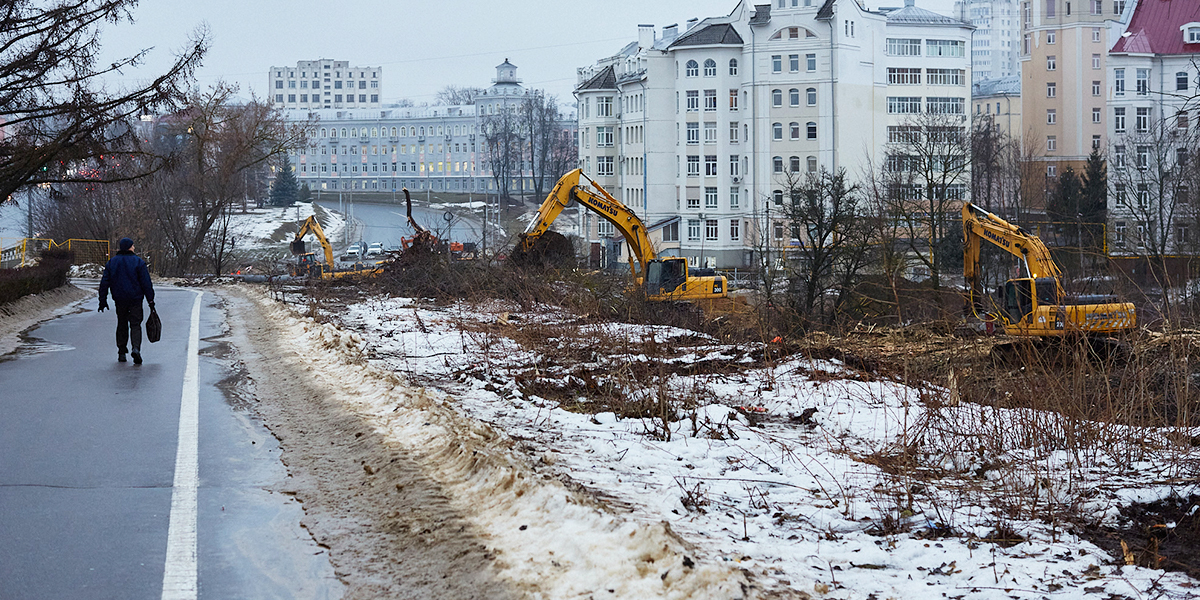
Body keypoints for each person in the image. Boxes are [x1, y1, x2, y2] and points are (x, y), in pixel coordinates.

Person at [98, 237, 155, 364]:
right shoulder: (138, 262)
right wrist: (150, 299)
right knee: (135, 324)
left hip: (119, 299)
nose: (134, 248)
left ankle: (122, 352)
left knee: (122, 323)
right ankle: (136, 348)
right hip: (135, 299)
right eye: (133, 246)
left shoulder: (112, 262)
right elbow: (146, 282)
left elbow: (104, 282)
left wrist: (102, 299)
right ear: (129, 247)